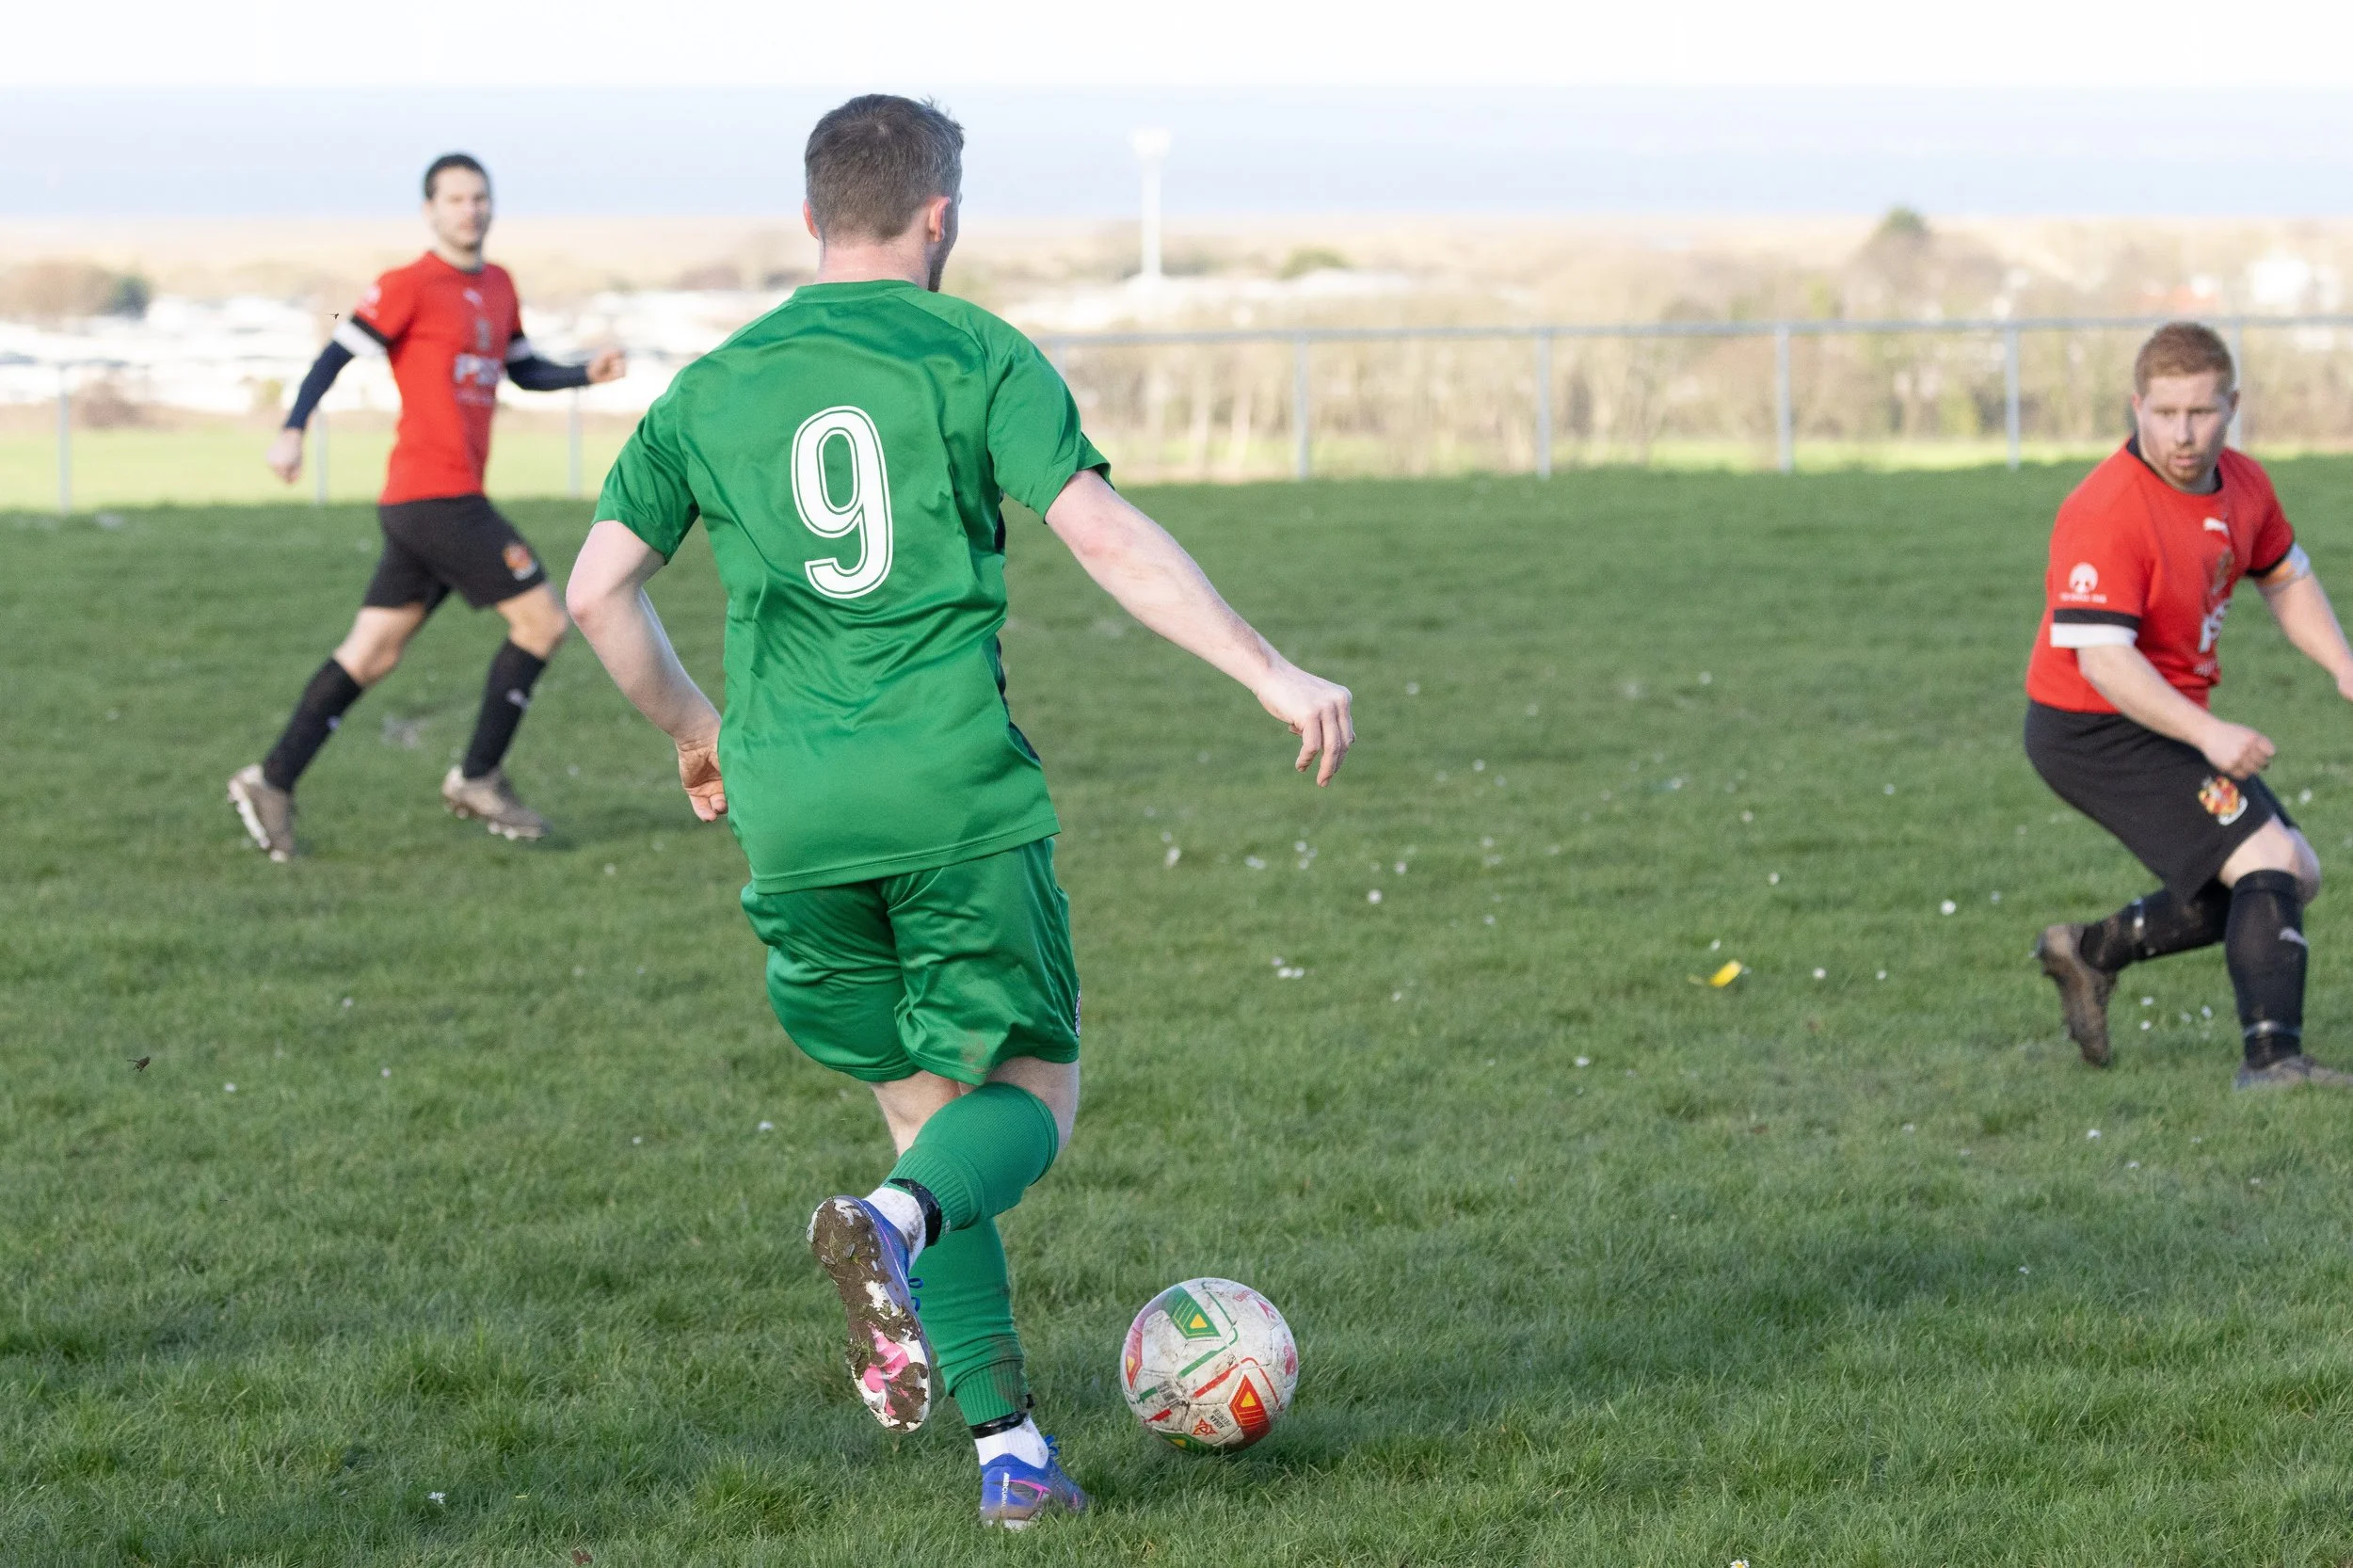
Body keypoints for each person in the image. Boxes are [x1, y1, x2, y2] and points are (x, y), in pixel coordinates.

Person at [565, 95, 1353, 1528]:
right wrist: (1266, 667)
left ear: (812, 219)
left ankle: (1012, 1458)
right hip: (951, 795)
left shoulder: (710, 388)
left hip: (792, 812)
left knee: (929, 1109)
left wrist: (699, 730)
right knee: (1029, 1099)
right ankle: (893, 1221)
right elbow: (1101, 530)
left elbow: (594, 592)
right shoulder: (979, 351)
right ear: (942, 217)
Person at [227, 152, 626, 858]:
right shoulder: (408, 285)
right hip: (434, 494)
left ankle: (272, 780)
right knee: (542, 622)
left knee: (372, 652)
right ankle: (477, 778)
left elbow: (522, 368)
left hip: (433, 503)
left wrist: (581, 372)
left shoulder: (499, 286)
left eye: (480, 198)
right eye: (455, 199)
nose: (470, 209)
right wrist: (292, 431)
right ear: (430, 210)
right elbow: (334, 358)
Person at [2029, 321, 2353, 1089]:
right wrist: (2208, 732)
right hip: (2092, 728)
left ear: (2231, 404)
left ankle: (2093, 950)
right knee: (2265, 862)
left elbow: (2283, 576)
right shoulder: (2105, 509)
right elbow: (2104, 663)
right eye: (2165, 413)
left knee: (2287, 875)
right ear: (2135, 404)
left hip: (2159, 715)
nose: (2183, 434)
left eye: (2202, 413)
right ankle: (2272, 1065)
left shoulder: (2244, 485)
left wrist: (2344, 663)